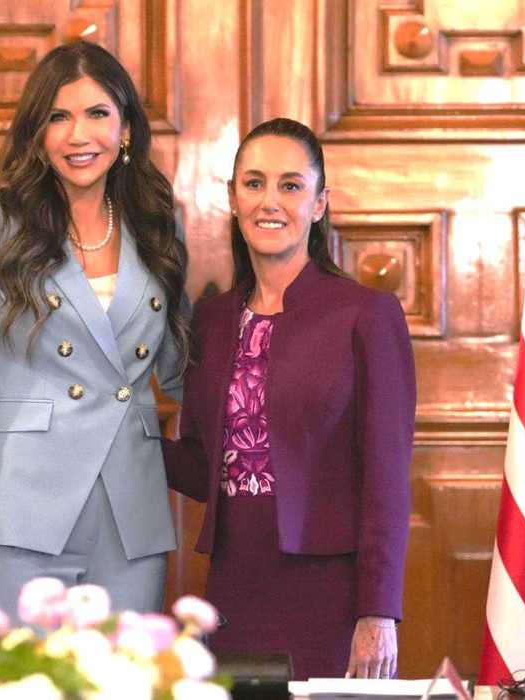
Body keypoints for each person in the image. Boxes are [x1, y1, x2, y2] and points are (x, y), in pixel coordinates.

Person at [0, 41, 190, 621]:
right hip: (22, 511)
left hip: (131, 514)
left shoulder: (156, 225)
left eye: (98, 114)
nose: (79, 136)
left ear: (124, 129)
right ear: (37, 133)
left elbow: (179, 369)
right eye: (58, 117)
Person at [163, 118, 415, 679]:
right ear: (232, 198)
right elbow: (208, 463)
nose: (269, 201)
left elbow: (387, 479)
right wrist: (118, 429)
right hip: (233, 587)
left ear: (320, 203)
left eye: (290, 185)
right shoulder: (211, 320)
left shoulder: (366, 315)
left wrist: (378, 613)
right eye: (253, 184)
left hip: (330, 594)